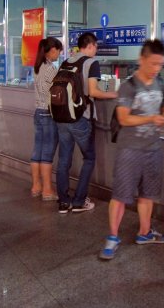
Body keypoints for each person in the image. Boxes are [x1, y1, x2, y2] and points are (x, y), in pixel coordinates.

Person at [99, 39, 164, 260]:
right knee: (121, 195)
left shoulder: (162, 85)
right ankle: (112, 237)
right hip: (130, 149)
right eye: (152, 63)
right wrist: (152, 118)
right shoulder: (129, 86)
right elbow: (123, 118)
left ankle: (144, 232)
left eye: (160, 64)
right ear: (141, 59)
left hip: (153, 148)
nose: (156, 69)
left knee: (148, 193)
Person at [56, 32, 117, 214]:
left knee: (64, 160)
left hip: (62, 117)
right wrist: (115, 94)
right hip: (81, 117)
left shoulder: (66, 62)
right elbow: (93, 91)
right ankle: (79, 201)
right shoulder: (92, 63)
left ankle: (64, 202)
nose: (96, 50)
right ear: (90, 46)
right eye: (96, 46)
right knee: (89, 158)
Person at [30, 37, 63, 201]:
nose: (59, 54)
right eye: (58, 50)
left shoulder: (37, 66)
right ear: (51, 50)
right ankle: (48, 190)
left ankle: (36, 186)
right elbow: (57, 92)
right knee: (47, 153)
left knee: (37, 151)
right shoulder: (51, 69)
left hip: (38, 112)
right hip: (48, 113)